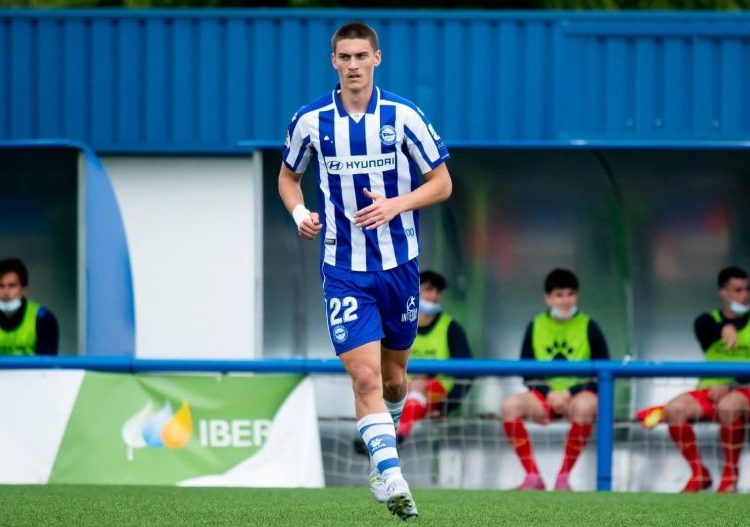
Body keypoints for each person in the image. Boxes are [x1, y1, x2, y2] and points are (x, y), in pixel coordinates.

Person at [277, 21, 451, 520]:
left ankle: (382, 460)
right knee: (365, 376)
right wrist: (299, 213)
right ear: (333, 61)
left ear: (377, 58)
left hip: (399, 265)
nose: (353, 65)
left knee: (395, 379)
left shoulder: (404, 116)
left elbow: (442, 183)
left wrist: (397, 204)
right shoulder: (310, 121)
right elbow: (288, 177)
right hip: (343, 269)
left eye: (361, 56)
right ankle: (391, 475)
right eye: (345, 57)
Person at [501, 269, 609, 491]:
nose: (565, 300)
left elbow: (604, 372)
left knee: (586, 406)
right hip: (544, 396)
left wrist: (570, 393)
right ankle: (532, 476)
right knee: (509, 406)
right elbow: (527, 371)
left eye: (570, 294)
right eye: (559, 295)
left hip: (578, 396)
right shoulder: (535, 325)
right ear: (548, 298)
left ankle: (563, 477)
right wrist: (549, 393)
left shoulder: (590, 326)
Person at [649, 266, 750, 493]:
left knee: (729, 405)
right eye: (738, 290)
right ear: (722, 293)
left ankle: (730, 475)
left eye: (747, 289)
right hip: (710, 391)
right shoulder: (706, 321)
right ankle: (698, 473)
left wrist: (731, 386)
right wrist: (725, 328)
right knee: (674, 409)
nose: (744, 295)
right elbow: (707, 328)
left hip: (744, 391)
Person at [396, 270, 472, 443]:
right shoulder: (400, 325)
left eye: (438, 291)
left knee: (419, 383)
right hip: (401, 391)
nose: (434, 296)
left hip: (437, 391)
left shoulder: (450, 328)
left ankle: (397, 437)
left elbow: (468, 371)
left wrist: (447, 406)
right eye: (429, 289)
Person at [0, 257, 59, 356]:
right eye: (1, 286)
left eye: (12, 286)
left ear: (24, 289)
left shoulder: (43, 319)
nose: (6, 292)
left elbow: (47, 363)